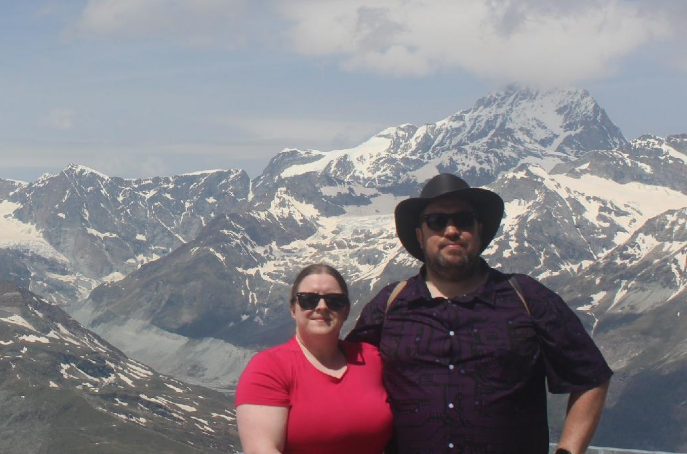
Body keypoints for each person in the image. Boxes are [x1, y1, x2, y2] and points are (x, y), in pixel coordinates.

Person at [347, 173, 612, 454]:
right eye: (437, 221)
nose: (451, 230)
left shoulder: (527, 298)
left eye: (463, 220)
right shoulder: (389, 305)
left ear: (479, 229)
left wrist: (568, 451)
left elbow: (591, 376)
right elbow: (338, 370)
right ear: (419, 235)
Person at [236, 263, 393, 454]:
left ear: (346, 310)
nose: (321, 307)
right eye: (308, 300)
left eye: (334, 301)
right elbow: (261, 449)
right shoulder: (268, 368)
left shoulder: (373, 359)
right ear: (293, 309)